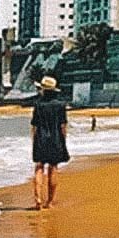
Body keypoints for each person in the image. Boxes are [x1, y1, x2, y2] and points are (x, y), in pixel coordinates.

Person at [31, 76, 69, 209]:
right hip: (55, 139)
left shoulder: (38, 105)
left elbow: (34, 126)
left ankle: (38, 200)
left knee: (39, 167)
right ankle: (50, 201)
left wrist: (34, 141)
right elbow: (63, 126)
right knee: (53, 168)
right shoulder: (60, 105)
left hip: (41, 138)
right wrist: (63, 141)